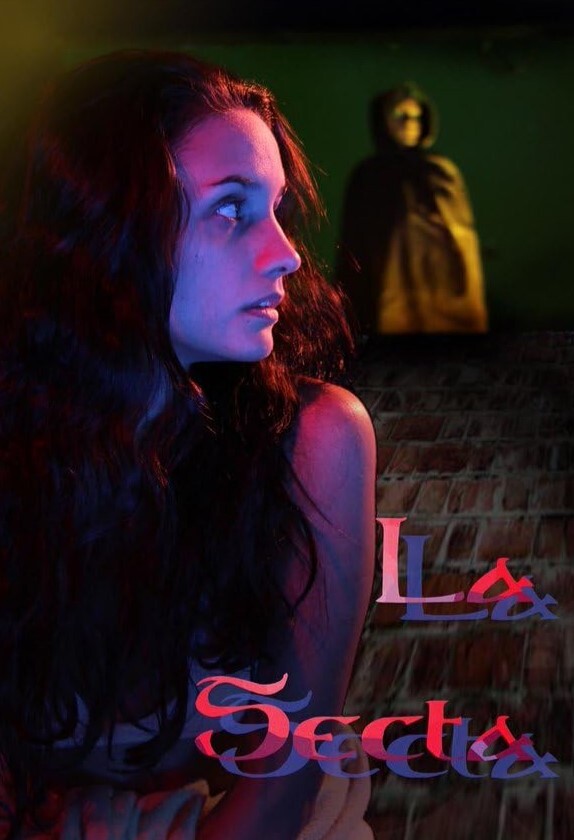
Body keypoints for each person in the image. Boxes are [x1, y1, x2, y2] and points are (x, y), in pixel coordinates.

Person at [0, 50, 376, 838]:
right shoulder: (23, 449)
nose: (287, 253)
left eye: (278, 209)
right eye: (232, 209)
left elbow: (287, 778)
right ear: (112, 225)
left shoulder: (318, 437)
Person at [335, 81, 488, 335]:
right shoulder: (368, 176)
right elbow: (354, 244)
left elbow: (463, 245)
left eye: (416, 116)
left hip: (442, 300)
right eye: (400, 115)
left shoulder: (442, 172)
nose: (409, 123)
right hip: (388, 295)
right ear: (383, 120)